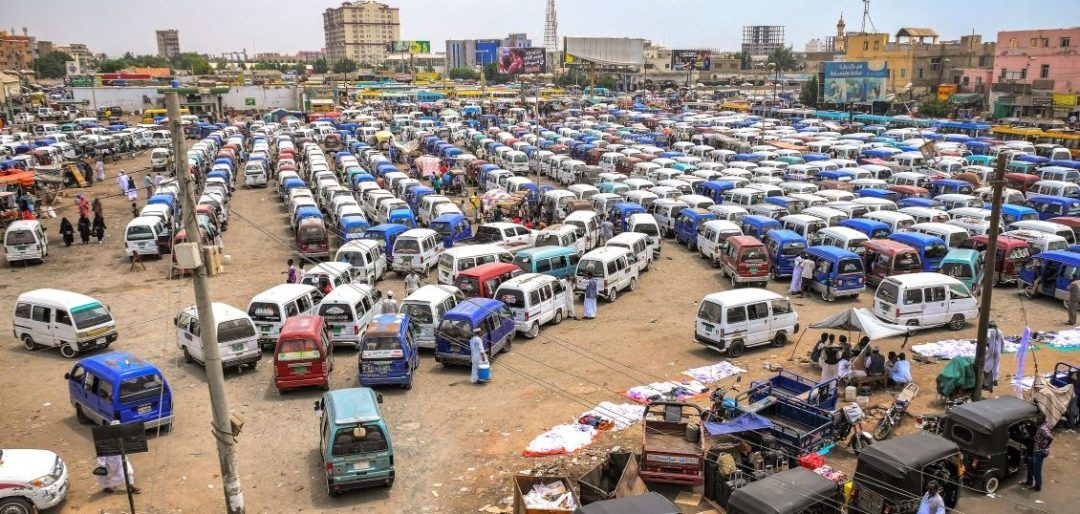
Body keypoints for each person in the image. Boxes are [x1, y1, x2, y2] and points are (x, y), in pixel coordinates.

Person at [1026, 412, 1053, 492]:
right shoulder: (1046, 422)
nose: (1036, 421)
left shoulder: (1042, 429)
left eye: (1037, 419)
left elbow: (1050, 438)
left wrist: (1046, 446)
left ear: (1041, 421)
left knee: (1036, 470)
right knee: (1030, 465)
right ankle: (1029, 481)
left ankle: (1038, 486)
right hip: (1037, 450)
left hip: (1040, 451)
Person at [984, 320, 1005, 391]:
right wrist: (1002, 350)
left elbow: (986, 340)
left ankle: (987, 379)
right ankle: (995, 380)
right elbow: (1003, 342)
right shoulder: (1000, 331)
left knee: (987, 363)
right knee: (996, 365)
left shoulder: (989, 331)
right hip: (998, 351)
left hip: (991, 351)